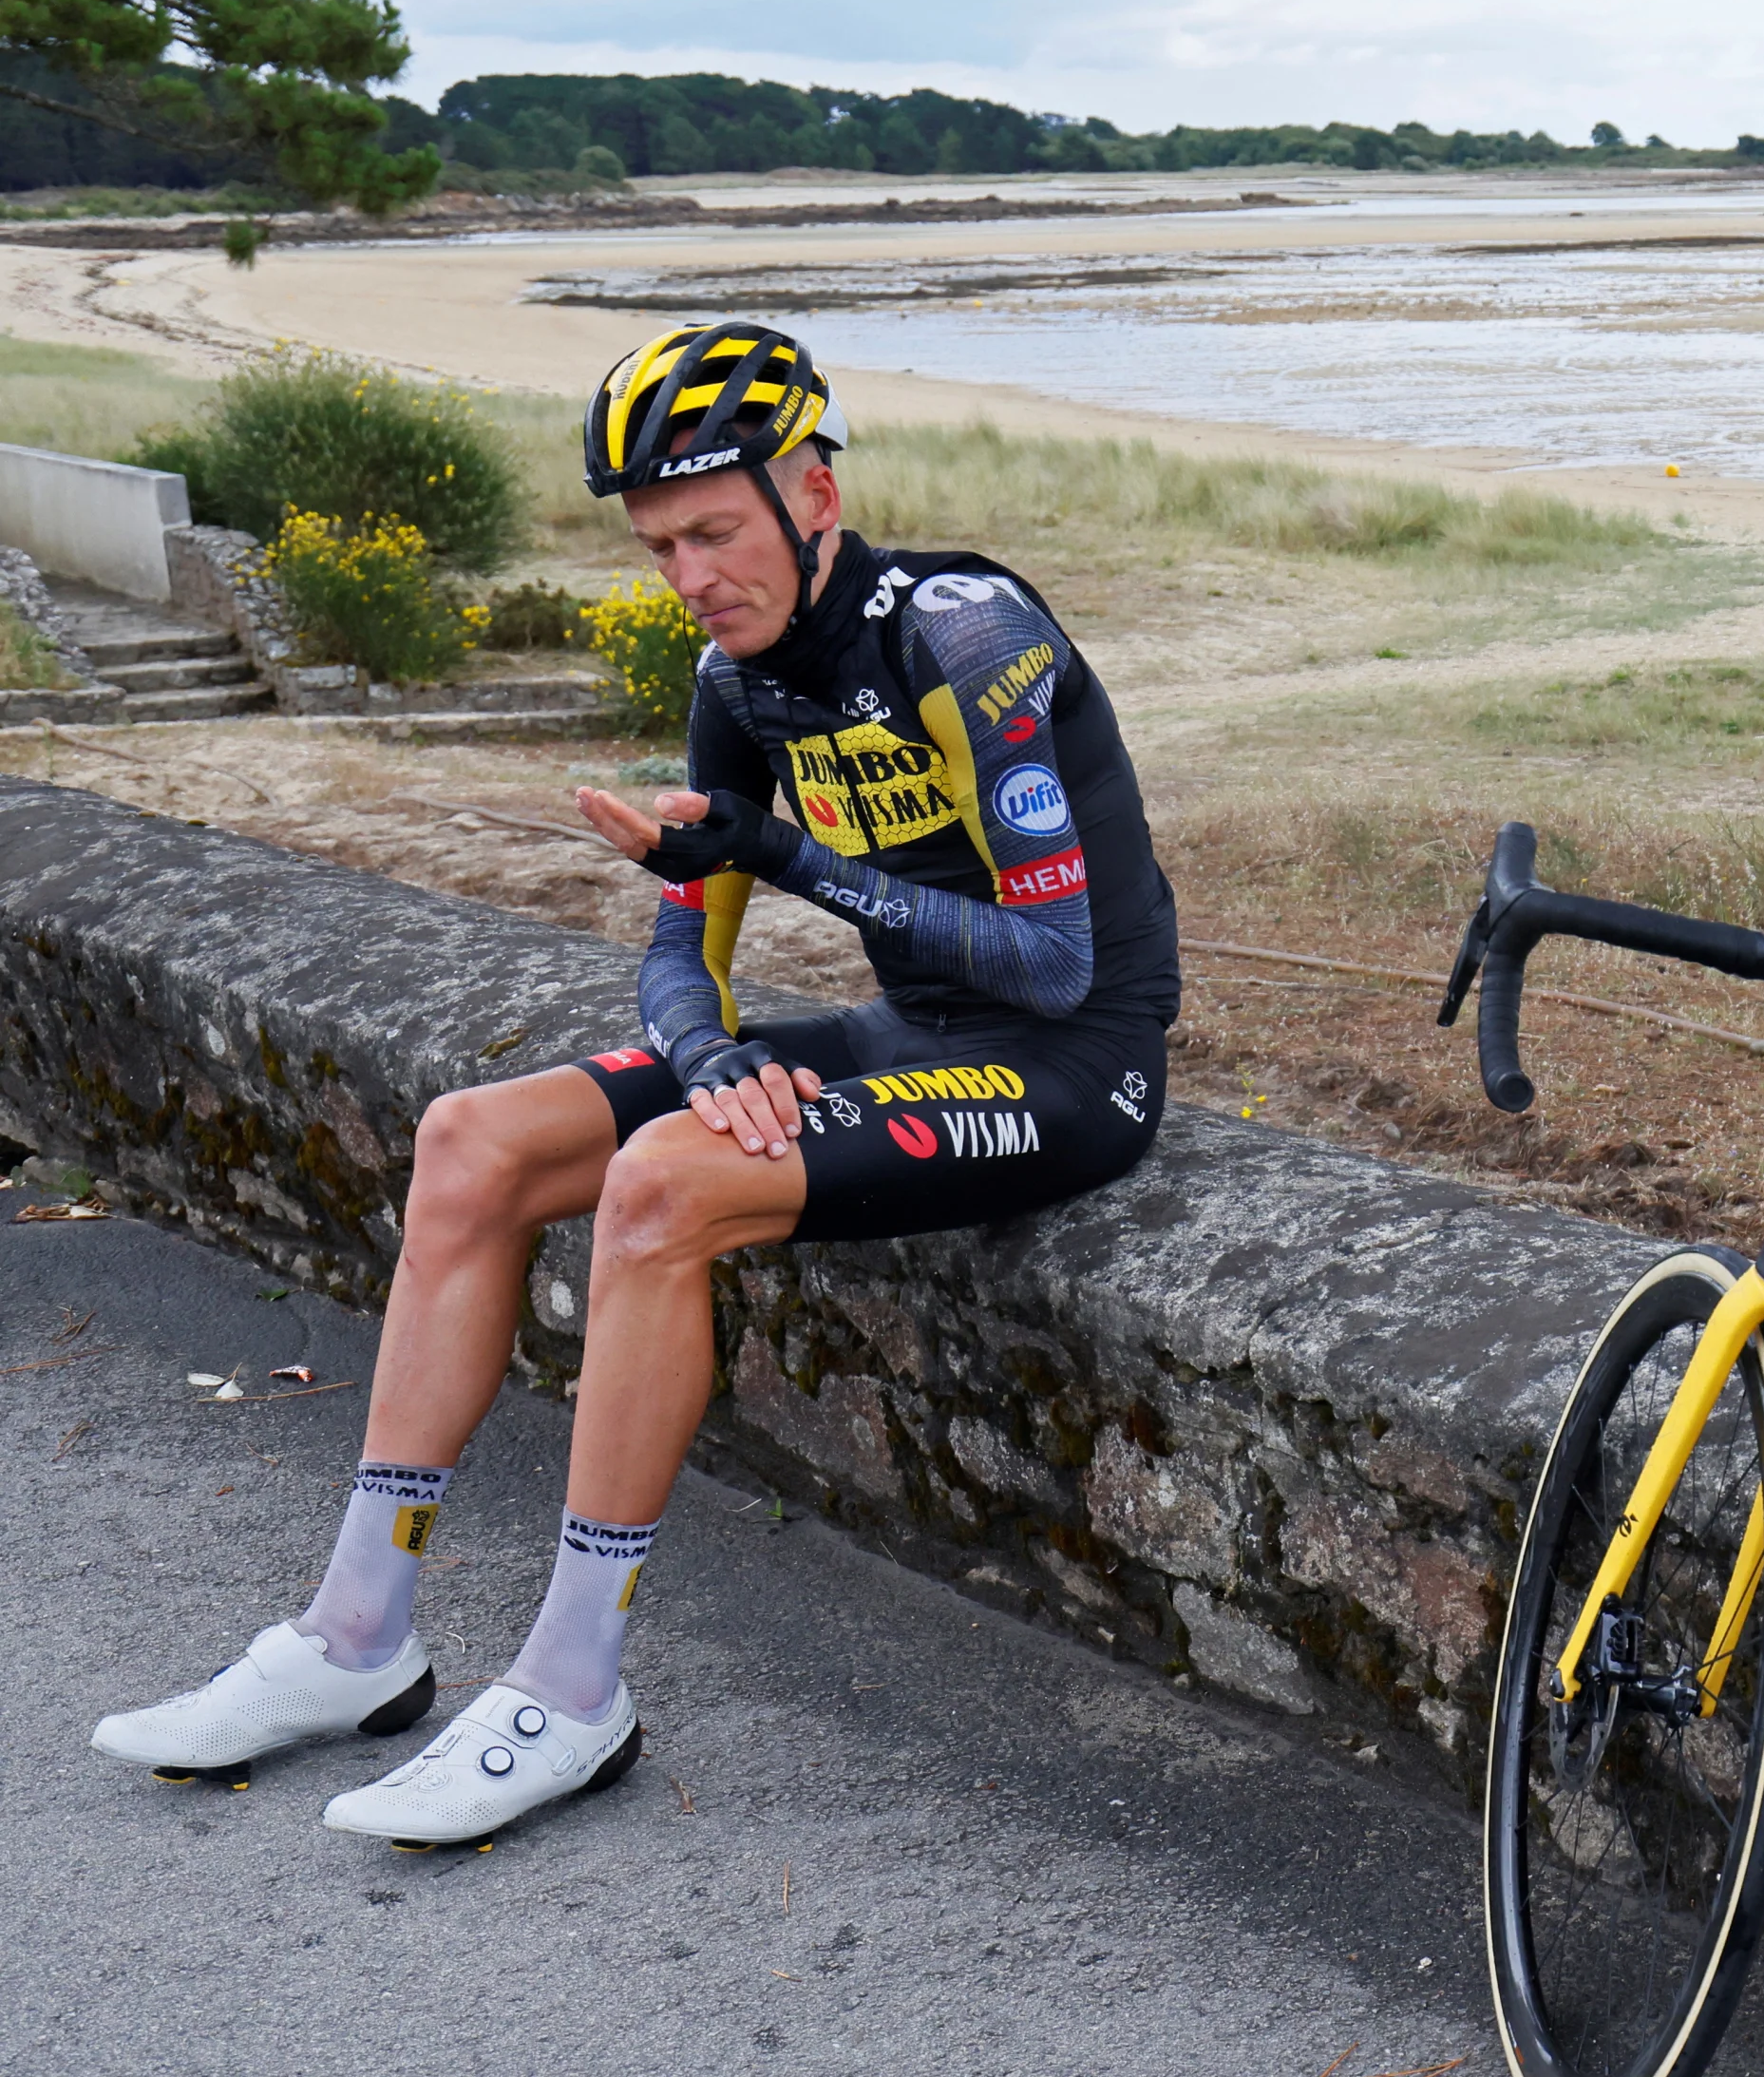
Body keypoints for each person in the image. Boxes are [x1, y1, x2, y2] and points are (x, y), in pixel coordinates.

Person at [91, 321, 1182, 1844]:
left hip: (1071, 1068)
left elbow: (1057, 966)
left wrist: (788, 856)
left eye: (716, 532)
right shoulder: (738, 682)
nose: (691, 577)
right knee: (471, 1141)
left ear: (814, 490)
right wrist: (711, 1059)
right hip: (914, 1039)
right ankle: (356, 1636)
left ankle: (574, 1684)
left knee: (663, 1187)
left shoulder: (963, 633)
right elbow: (685, 951)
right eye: (661, 546)